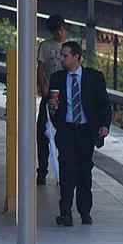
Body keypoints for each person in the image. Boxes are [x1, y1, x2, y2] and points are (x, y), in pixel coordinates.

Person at [48, 39, 111, 226]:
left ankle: (85, 211)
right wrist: (53, 109)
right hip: (66, 129)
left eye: (65, 56)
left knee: (85, 172)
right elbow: (52, 104)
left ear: (76, 57)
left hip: (85, 131)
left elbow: (103, 104)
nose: (62, 59)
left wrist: (104, 125)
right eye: (61, 56)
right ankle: (65, 213)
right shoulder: (58, 78)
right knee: (67, 172)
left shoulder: (94, 78)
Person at [36, 14, 69, 185]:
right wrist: (43, 89)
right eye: (57, 31)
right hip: (49, 95)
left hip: (65, 97)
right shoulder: (45, 46)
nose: (60, 34)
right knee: (43, 132)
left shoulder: (69, 47)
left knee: (62, 135)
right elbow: (40, 69)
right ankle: (42, 171)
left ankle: (62, 170)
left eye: (62, 30)